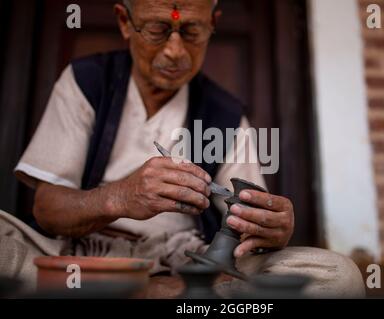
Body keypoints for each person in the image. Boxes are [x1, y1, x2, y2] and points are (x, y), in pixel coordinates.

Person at [0, 0, 364, 297]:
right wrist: (119, 198)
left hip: (181, 261)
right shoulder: (86, 81)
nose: (176, 52)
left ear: (213, 23)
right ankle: (167, 296)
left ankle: (158, 291)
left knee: (337, 276)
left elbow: (248, 223)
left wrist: (269, 230)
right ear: (125, 21)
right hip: (82, 255)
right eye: (158, 29)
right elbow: (47, 209)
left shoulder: (225, 114)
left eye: (192, 32)